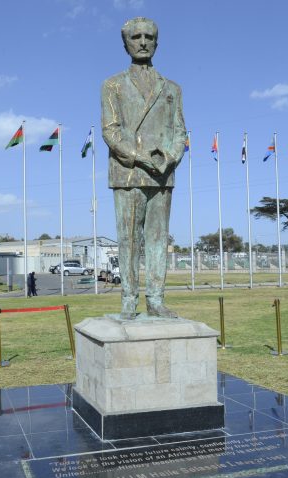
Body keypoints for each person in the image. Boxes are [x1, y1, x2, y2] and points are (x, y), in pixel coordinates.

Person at [101, 17, 186, 320]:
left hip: (162, 173)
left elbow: (180, 131)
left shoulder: (172, 88)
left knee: (158, 239)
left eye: (148, 37)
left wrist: (169, 156)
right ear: (125, 43)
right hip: (128, 172)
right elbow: (110, 131)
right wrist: (140, 157)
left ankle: (156, 298)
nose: (142, 42)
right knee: (129, 239)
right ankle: (128, 300)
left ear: (157, 42)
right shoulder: (112, 85)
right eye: (135, 37)